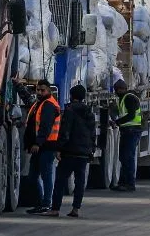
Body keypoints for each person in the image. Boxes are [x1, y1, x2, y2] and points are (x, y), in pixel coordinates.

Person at [47, 84, 98, 218]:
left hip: (70, 151)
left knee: (60, 180)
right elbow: (93, 133)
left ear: (71, 95)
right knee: (80, 181)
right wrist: (91, 149)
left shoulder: (69, 111)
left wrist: (59, 148)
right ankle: (76, 209)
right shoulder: (89, 112)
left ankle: (55, 209)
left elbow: (65, 132)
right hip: (83, 153)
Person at [24, 79, 61, 214]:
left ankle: (46, 203)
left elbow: (45, 127)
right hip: (40, 147)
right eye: (37, 90)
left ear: (49, 90)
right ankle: (40, 203)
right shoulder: (39, 103)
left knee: (46, 175)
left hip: (47, 146)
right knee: (33, 176)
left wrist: (37, 143)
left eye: (42, 90)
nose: (39, 92)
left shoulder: (49, 106)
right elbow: (27, 99)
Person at [111, 79, 142, 192]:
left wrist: (117, 122)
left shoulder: (129, 98)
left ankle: (129, 183)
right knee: (123, 157)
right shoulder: (123, 99)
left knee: (128, 157)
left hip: (132, 131)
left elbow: (131, 115)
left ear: (122, 89)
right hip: (127, 131)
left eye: (117, 90)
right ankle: (123, 182)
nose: (116, 92)